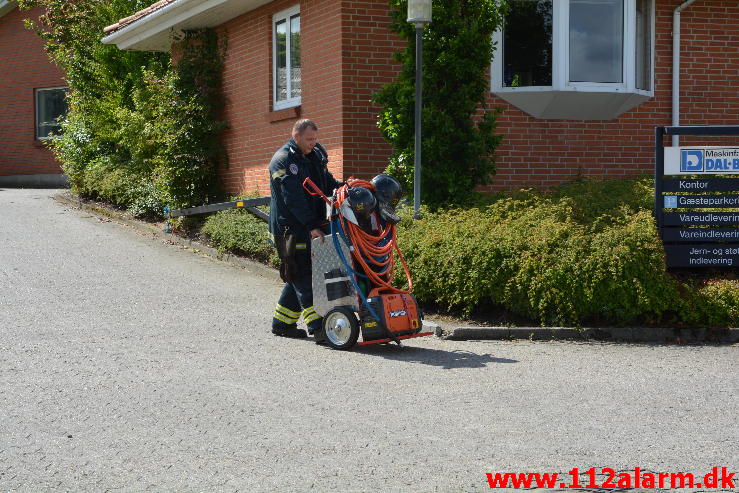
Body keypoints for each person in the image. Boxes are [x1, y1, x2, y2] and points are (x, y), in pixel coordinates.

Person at [268, 119, 342, 338]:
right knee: (304, 275)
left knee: (297, 274)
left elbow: (325, 183)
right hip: (290, 230)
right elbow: (293, 199)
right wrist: (311, 226)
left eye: (315, 139)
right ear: (296, 136)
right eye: (309, 139)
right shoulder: (282, 161)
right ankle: (318, 328)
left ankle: (282, 324)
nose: (314, 143)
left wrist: (345, 187)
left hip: (311, 225)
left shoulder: (315, 155)